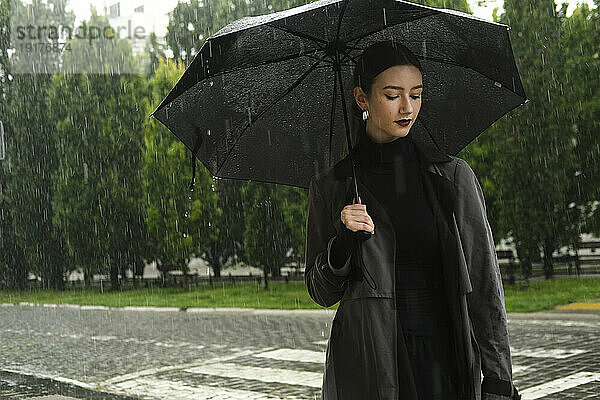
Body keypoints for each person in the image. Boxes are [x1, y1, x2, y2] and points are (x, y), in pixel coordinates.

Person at [304, 41, 521, 400]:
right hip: (369, 362)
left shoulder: (451, 177)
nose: (408, 108)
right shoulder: (332, 187)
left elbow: (484, 281)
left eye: (416, 95)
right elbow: (319, 291)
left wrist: (498, 374)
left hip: (445, 355)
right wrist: (341, 244)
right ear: (362, 99)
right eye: (392, 95)